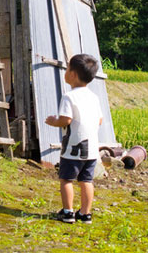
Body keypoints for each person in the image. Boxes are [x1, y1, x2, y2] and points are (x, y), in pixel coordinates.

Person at [45, 54, 103, 224]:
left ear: (73, 74)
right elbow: (99, 120)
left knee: (66, 179)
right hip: (91, 149)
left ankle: (68, 212)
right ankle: (85, 214)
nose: (66, 71)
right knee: (86, 180)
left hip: (73, 148)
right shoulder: (94, 97)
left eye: (68, 68)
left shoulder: (69, 97)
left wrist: (53, 121)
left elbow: (66, 120)